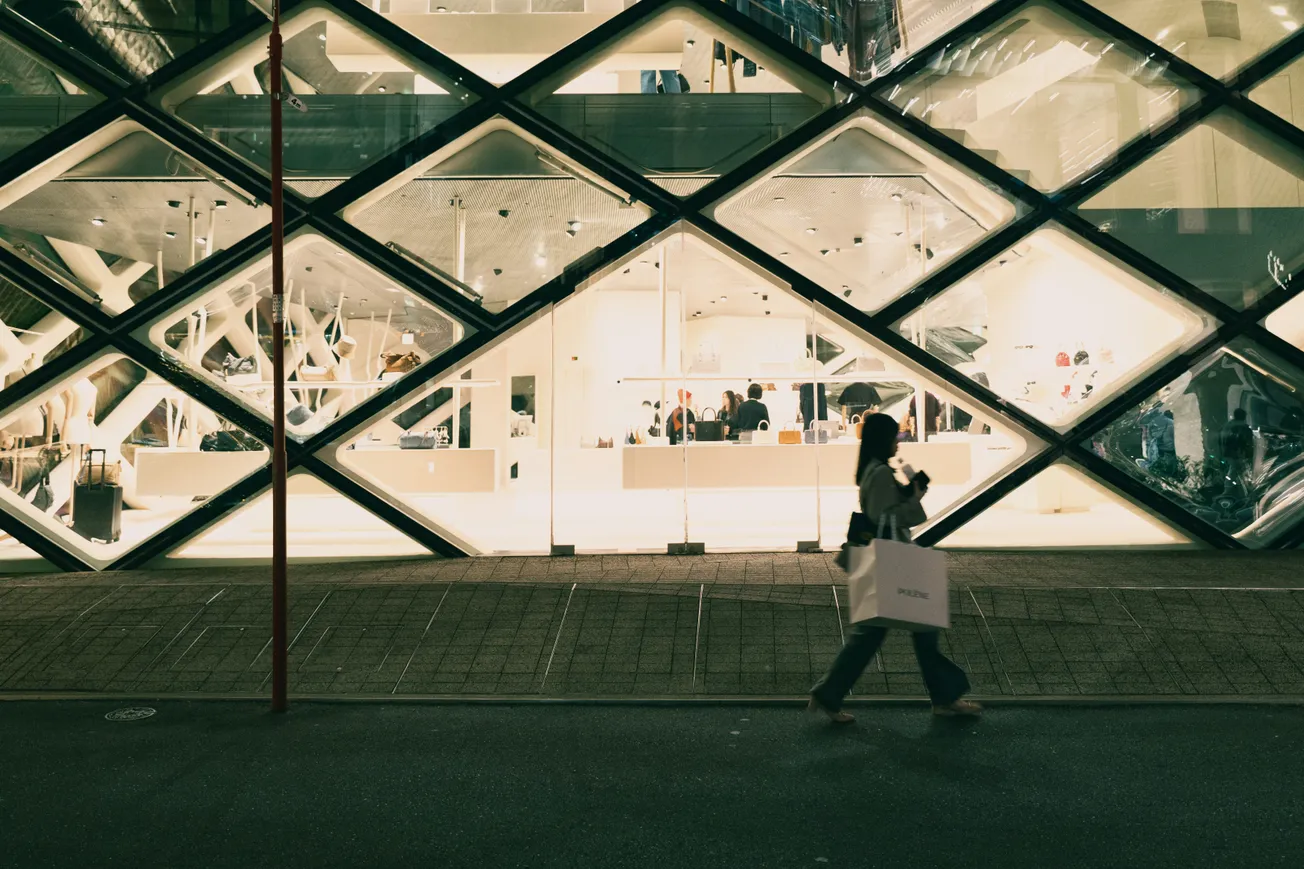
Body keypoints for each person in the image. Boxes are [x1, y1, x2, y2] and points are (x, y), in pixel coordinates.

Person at [808, 413, 980, 723]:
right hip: (894, 562)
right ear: (881, 439)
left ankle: (829, 694)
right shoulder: (880, 475)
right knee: (914, 628)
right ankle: (943, 699)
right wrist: (914, 497)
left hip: (887, 560)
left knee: (879, 634)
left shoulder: (873, 472)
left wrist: (907, 494)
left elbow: (883, 510)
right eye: (894, 437)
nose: (897, 442)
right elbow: (886, 516)